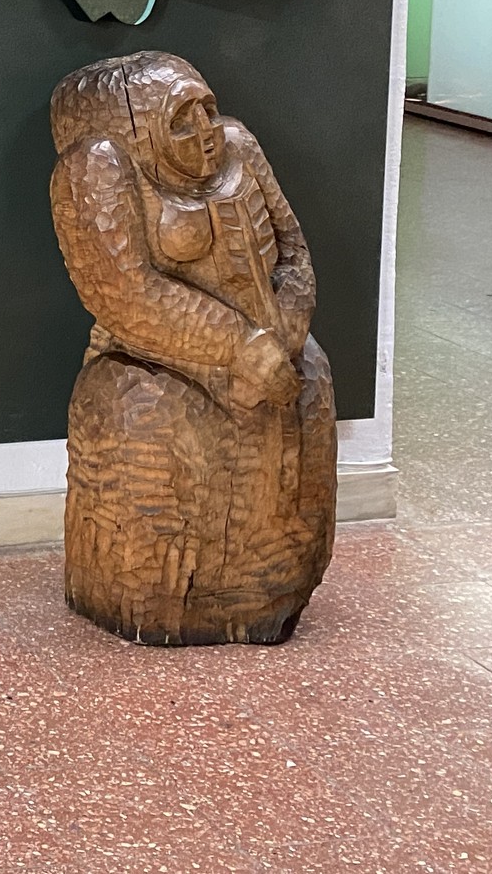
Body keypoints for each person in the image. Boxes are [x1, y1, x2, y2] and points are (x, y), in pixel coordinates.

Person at [49, 50, 336, 645]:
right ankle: (156, 602)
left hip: (269, 353)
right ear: (137, 129)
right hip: (157, 361)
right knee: (141, 409)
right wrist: (240, 347)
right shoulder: (97, 170)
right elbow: (125, 293)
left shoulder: (239, 147)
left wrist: (286, 332)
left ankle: (274, 589)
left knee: (312, 377)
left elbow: (294, 251)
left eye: (207, 108)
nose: (206, 131)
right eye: (181, 119)